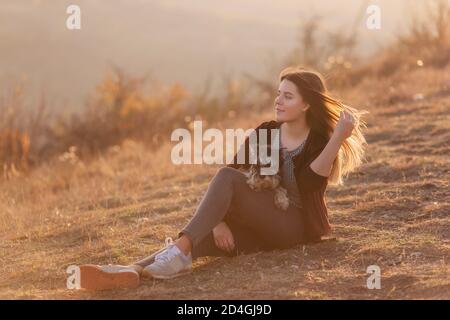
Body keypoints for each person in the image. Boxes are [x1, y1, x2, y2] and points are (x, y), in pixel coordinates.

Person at [78, 67, 367, 290]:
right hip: (260, 228)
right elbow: (235, 175)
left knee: (225, 178)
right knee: (198, 240)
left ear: (306, 105)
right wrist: (219, 222)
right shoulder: (266, 132)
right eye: (278, 93)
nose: (278, 101)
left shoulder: (318, 142)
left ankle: (169, 258)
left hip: (293, 227)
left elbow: (307, 185)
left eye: (288, 96)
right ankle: (130, 270)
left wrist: (338, 137)